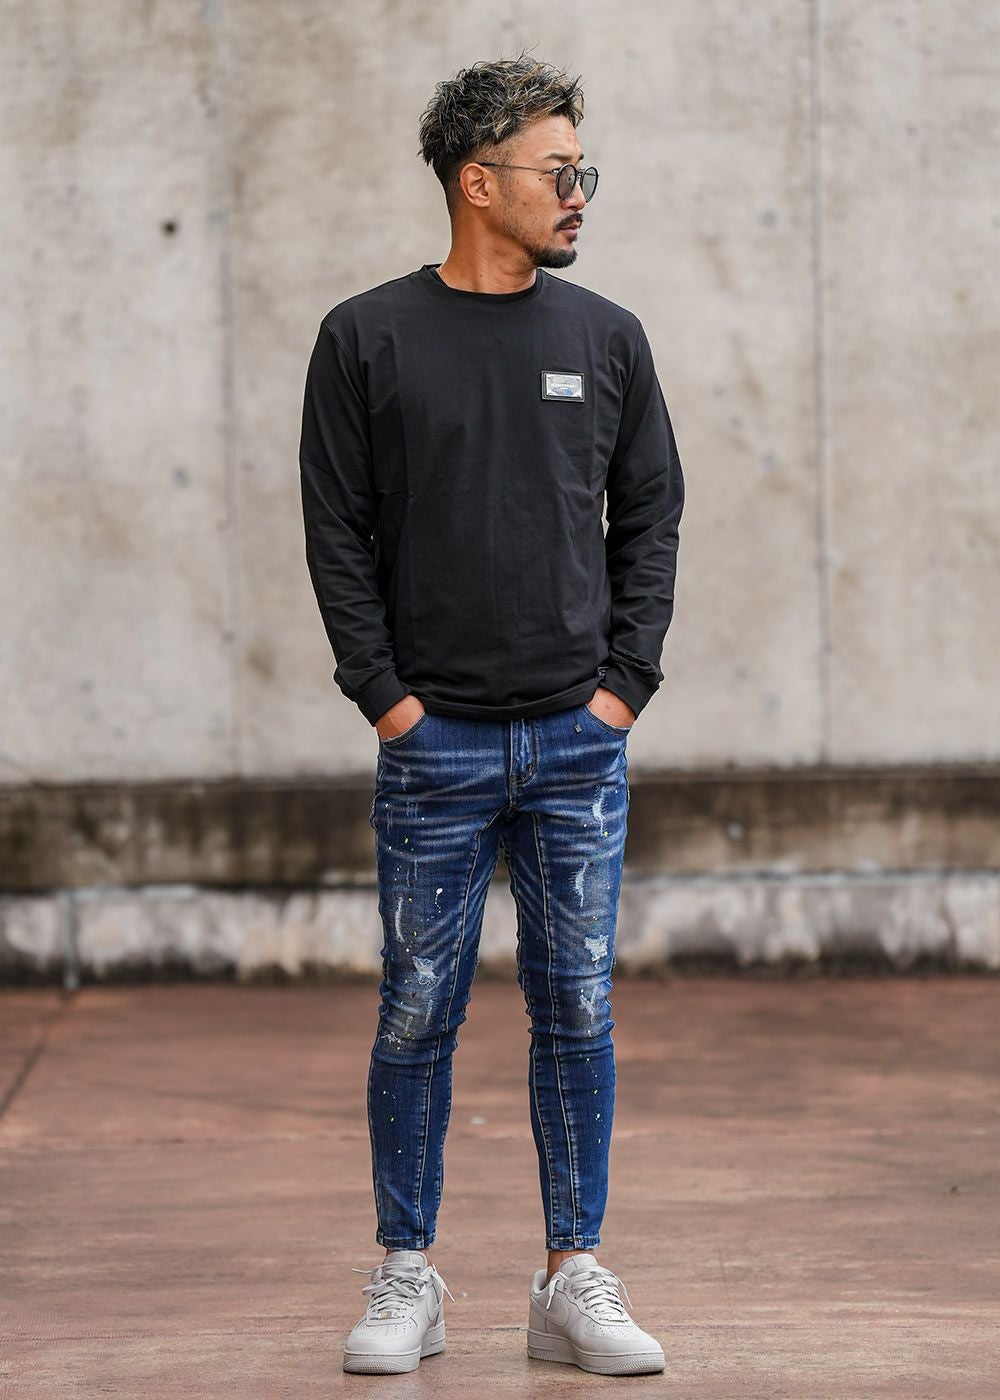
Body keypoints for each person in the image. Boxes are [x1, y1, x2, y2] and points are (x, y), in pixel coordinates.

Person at [299, 52, 684, 1377]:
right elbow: (336, 533)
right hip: (436, 747)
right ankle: (408, 1273)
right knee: (418, 1011)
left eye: (584, 171)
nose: (578, 193)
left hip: (578, 743)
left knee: (577, 1009)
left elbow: (653, 515)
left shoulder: (608, 338)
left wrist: (623, 688)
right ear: (478, 181)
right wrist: (388, 702)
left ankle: (572, 1277)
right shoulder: (366, 337)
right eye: (557, 170)